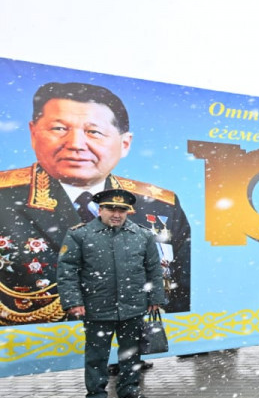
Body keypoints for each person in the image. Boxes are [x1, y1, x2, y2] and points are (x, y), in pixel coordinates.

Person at [1, 82, 190, 326]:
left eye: (94, 132)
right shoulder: (5, 198)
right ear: (33, 133)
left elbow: (180, 286)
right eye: (59, 128)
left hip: (129, 335)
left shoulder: (160, 205)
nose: (76, 144)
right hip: (37, 351)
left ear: (125, 144)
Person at [55, 189, 165, 398]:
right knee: (96, 355)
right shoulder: (80, 235)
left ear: (127, 211)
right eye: (111, 209)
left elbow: (153, 270)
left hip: (133, 305)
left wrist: (155, 297)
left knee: (132, 352)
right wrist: (73, 301)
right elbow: (67, 271)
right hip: (96, 306)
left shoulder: (142, 235)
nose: (117, 214)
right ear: (100, 209)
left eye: (122, 210)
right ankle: (96, 395)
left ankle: (129, 388)